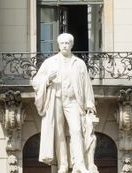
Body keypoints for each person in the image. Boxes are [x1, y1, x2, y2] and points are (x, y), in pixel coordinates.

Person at [32, 33, 97, 173]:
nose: (64, 45)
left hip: (73, 101)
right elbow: (35, 82)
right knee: (59, 132)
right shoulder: (49, 62)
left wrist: (90, 104)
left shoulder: (79, 63)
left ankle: (79, 164)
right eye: (62, 43)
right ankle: (63, 164)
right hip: (56, 100)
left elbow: (86, 85)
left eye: (67, 43)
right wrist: (47, 80)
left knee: (76, 130)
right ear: (58, 45)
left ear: (71, 45)